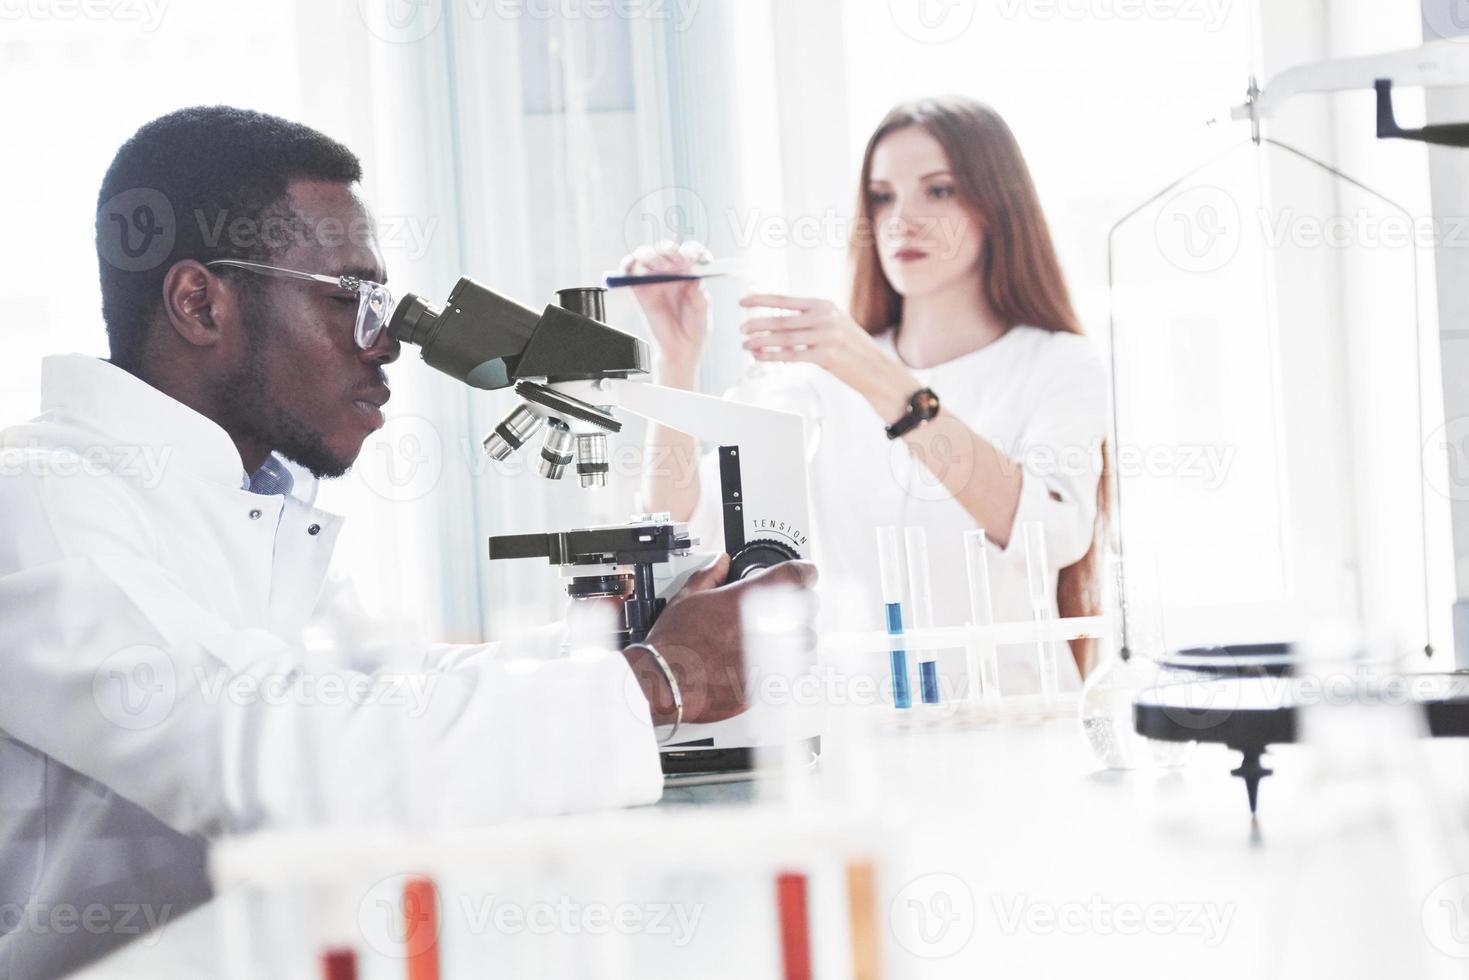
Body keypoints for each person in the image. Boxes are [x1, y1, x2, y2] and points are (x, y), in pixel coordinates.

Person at [0, 106, 814, 979]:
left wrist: (629, 643)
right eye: (352, 298)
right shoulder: (40, 505)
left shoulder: (247, 494)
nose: (386, 342)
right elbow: (261, 759)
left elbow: (387, 688)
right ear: (200, 303)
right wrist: (657, 682)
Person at [626, 95, 1108, 698]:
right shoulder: (821, 376)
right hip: (870, 733)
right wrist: (676, 361)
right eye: (883, 196)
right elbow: (680, 530)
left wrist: (871, 369)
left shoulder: (1057, 363)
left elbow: (1053, 531)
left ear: (998, 205)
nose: (902, 218)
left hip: (1020, 723)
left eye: (938, 191)